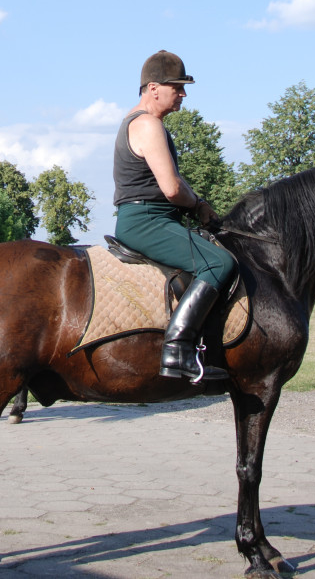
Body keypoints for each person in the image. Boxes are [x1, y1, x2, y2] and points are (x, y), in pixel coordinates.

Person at [113, 50, 236, 383]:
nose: (183, 94)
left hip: (147, 218)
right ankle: (178, 352)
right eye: (178, 87)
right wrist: (197, 205)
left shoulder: (138, 121)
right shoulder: (148, 124)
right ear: (154, 88)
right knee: (220, 263)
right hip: (146, 221)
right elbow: (171, 188)